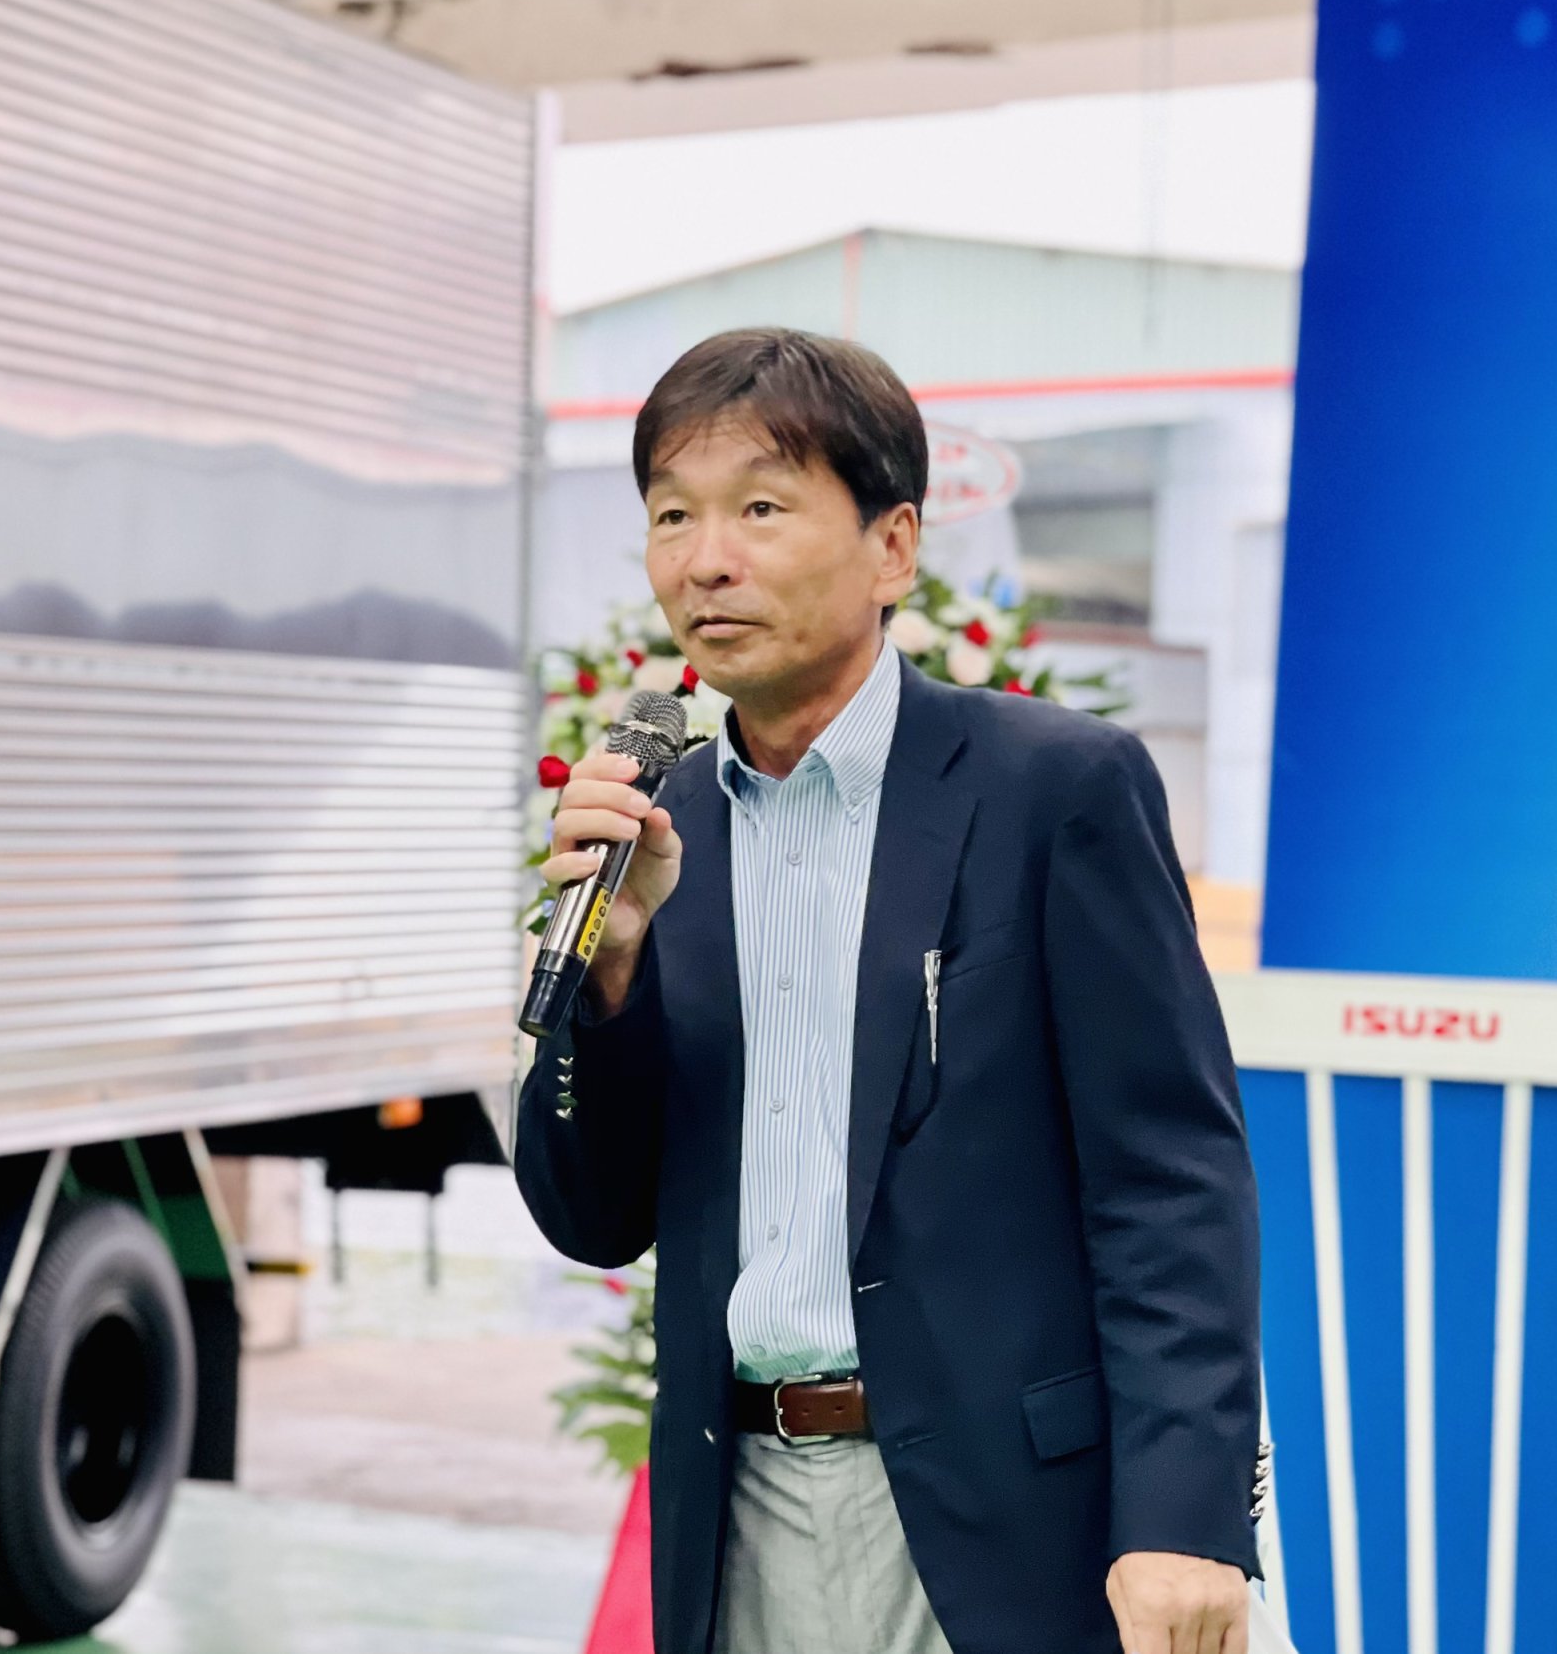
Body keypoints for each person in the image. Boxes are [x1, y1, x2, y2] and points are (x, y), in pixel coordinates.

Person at [515, 328, 1263, 1654]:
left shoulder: (1051, 790)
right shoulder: (664, 832)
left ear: (894, 546)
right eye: (672, 515)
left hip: (999, 1524)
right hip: (736, 1510)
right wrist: (612, 968)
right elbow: (594, 1216)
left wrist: (1182, 1518)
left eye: (760, 508)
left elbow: (1169, 1181)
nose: (705, 559)